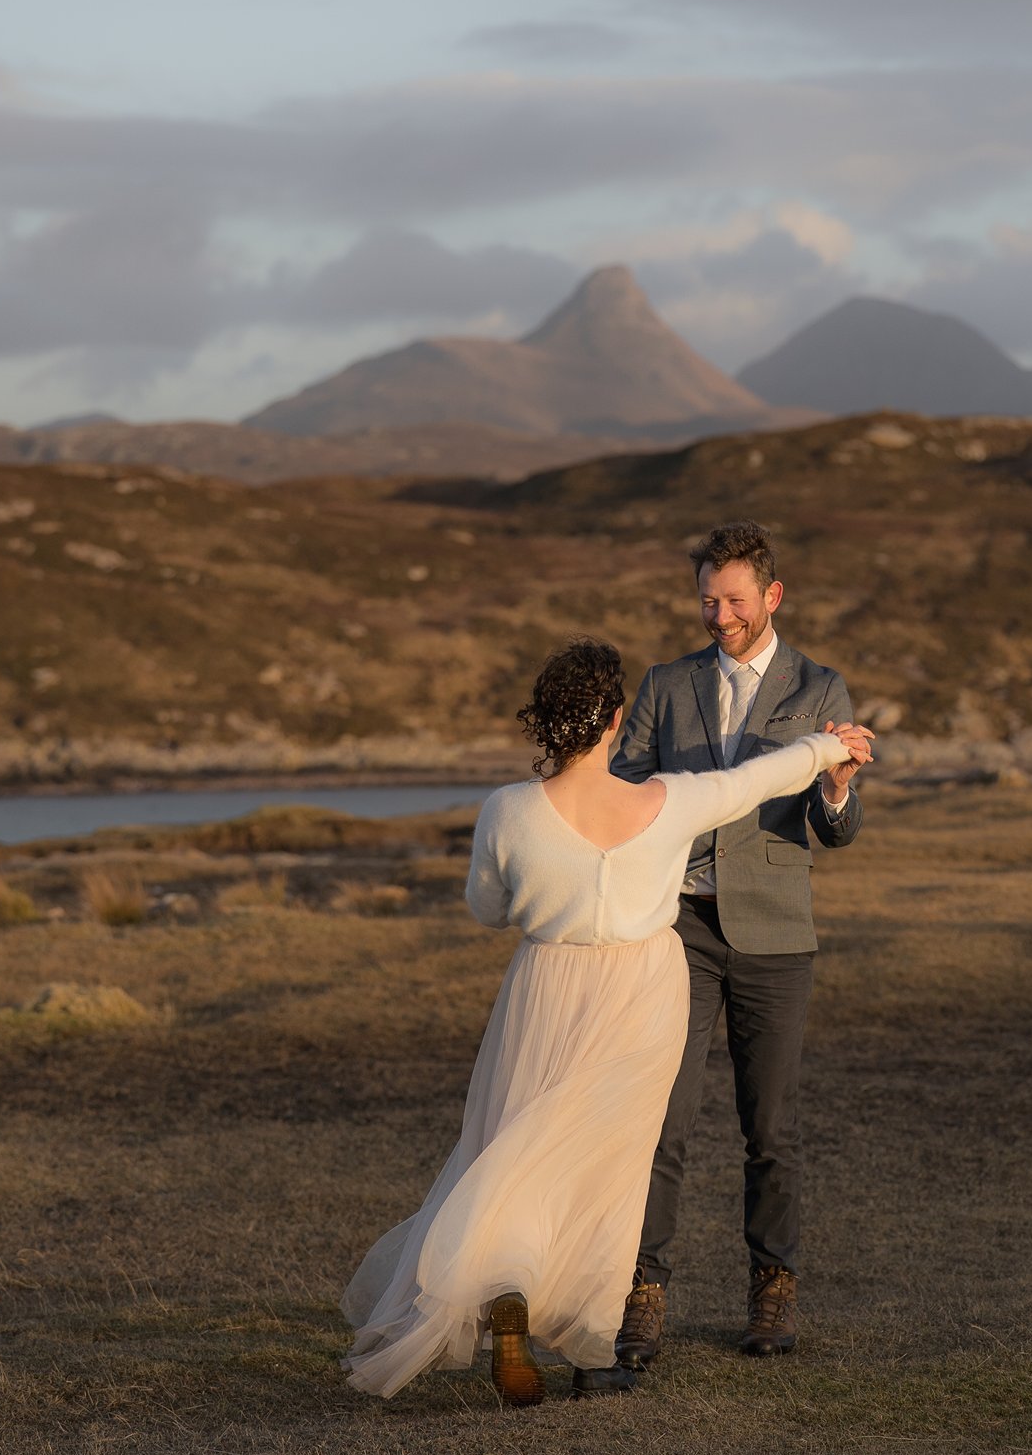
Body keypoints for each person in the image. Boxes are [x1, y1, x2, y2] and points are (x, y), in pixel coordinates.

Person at [339, 636, 867, 1407]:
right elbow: (757, 779)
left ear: (547, 724)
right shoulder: (669, 799)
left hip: (546, 987)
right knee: (613, 1172)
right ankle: (591, 1346)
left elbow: (487, 909)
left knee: (518, 1143)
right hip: (643, 991)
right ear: (616, 720)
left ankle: (510, 1284)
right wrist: (828, 745)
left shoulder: (508, 810)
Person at [610, 521, 871, 1365]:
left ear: (771, 597)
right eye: (706, 600)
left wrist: (833, 790)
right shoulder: (663, 684)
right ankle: (641, 1292)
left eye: (731, 600)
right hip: (677, 930)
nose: (717, 615)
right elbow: (622, 799)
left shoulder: (821, 688)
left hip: (775, 937)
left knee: (771, 1127)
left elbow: (838, 832)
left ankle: (772, 1290)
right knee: (662, 1121)